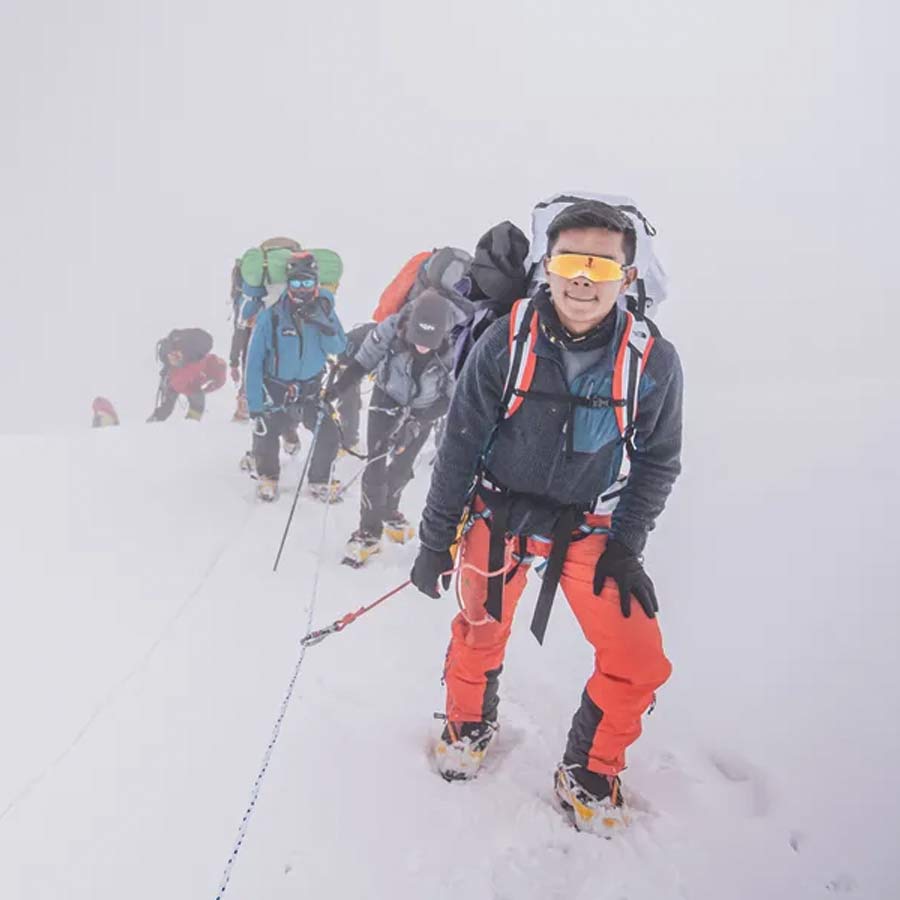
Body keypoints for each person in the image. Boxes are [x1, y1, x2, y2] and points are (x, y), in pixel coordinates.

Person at [409, 201, 683, 835]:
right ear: (547, 268)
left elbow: (658, 461)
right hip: (498, 511)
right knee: (479, 627)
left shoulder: (652, 360)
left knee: (638, 659)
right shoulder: (506, 340)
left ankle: (588, 768)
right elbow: (459, 443)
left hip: (589, 527)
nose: (583, 278)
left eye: (600, 264)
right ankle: (468, 721)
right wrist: (433, 540)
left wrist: (628, 545)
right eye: (569, 261)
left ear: (628, 275)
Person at [325, 290, 456, 566]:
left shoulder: (456, 346)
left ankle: (389, 509)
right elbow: (363, 361)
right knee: (376, 463)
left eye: (429, 344)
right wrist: (337, 388)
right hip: (387, 398)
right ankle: (368, 532)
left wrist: (417, 422)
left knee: (401, 464)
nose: (422, 348)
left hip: (425, 408)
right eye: (417, 341)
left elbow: (454, 397)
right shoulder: (392, 328)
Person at [244, 252, 347, 502]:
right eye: (297, 283)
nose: (302, 289)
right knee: (266, 432)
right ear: (289, 284)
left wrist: (325, 325)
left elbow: (338, 348)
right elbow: (254, 362)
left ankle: (319, 480)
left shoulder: (326, 311)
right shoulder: (272, 316)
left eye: (308, 283)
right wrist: (255, 406)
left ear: (316, 283)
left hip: (311, 390)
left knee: (330, 434)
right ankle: (268, 477)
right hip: (276, 389)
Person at [147, 328, 227, 422]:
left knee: (169, 406)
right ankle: (190, 423)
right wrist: (203, 390)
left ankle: (156, 421)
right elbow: (178, 385)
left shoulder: (197, 361)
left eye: (176, 355)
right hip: (180, 382)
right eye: (172, 355)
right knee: (195, 402)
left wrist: (204, 390)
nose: (173, 358)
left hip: (182, 381)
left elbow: (219, 381)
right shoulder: (199, 361)